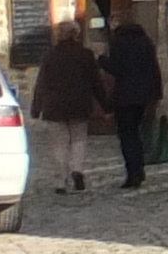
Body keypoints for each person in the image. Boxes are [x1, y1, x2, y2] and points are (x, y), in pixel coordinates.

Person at [28, 21, 108, 196]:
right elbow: (96, 82)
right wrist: (106, 105)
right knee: (79, 139)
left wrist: (36, 107)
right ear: (76, 34)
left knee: (59, 143)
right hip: (79, 103)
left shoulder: (50, 55)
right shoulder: (85, 54)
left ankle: (60, 181)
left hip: (55, 105)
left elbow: (41, 83)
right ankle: (77, 170)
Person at [100, 11, 164, 191]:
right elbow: (154, 68)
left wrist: (101, 59)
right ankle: (140, 168)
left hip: (125, 96)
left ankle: (133, 173)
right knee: (139, 133)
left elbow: (114, 68)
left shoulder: (118, 43)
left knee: (128, 135)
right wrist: (157, 95)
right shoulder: (146, 42)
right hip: (145, 95)